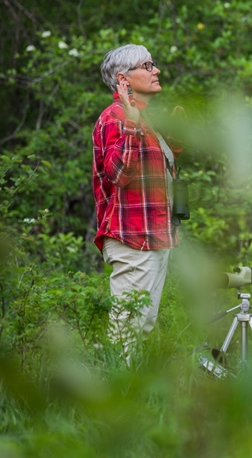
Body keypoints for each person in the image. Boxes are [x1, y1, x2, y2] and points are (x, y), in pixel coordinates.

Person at [93, 44, 182, 355]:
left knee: (141, 329)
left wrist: (174, 142)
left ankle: (127, 385)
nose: (156, 70)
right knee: (125, 333)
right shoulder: (115, 117)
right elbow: (118, 174)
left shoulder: (146, 119)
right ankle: (110, 384)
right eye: (147, 66)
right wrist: (132, 127)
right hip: (132, 238)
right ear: (124, 79)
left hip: (154, 237)